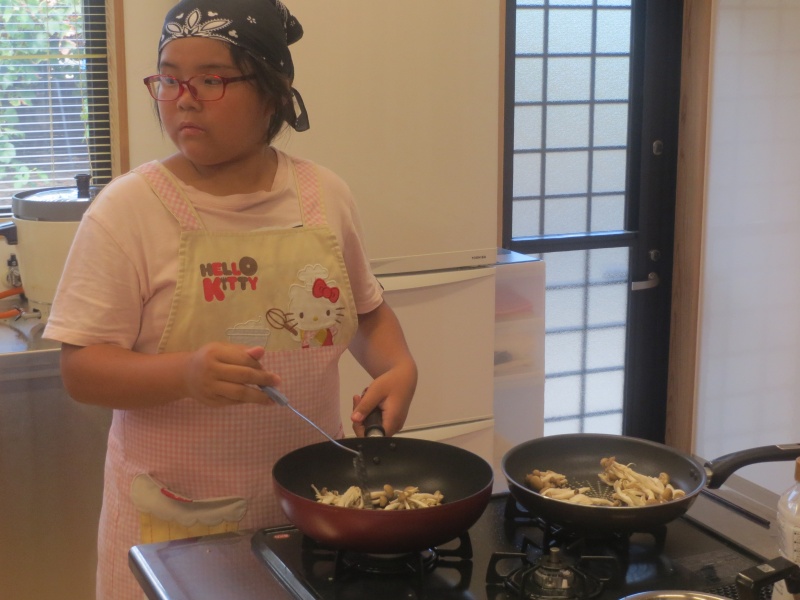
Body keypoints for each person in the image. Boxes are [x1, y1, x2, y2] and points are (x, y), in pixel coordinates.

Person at [43, 0, 418, 597]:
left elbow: (364, 312)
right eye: (169, 79)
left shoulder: (324, 195)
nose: (183, 98)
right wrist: (184, 373)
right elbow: (82, 370)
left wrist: (397, 366)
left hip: (308, 506)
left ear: (273, 94)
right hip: (175, 518)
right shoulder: (127, 211)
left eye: (211, 79)